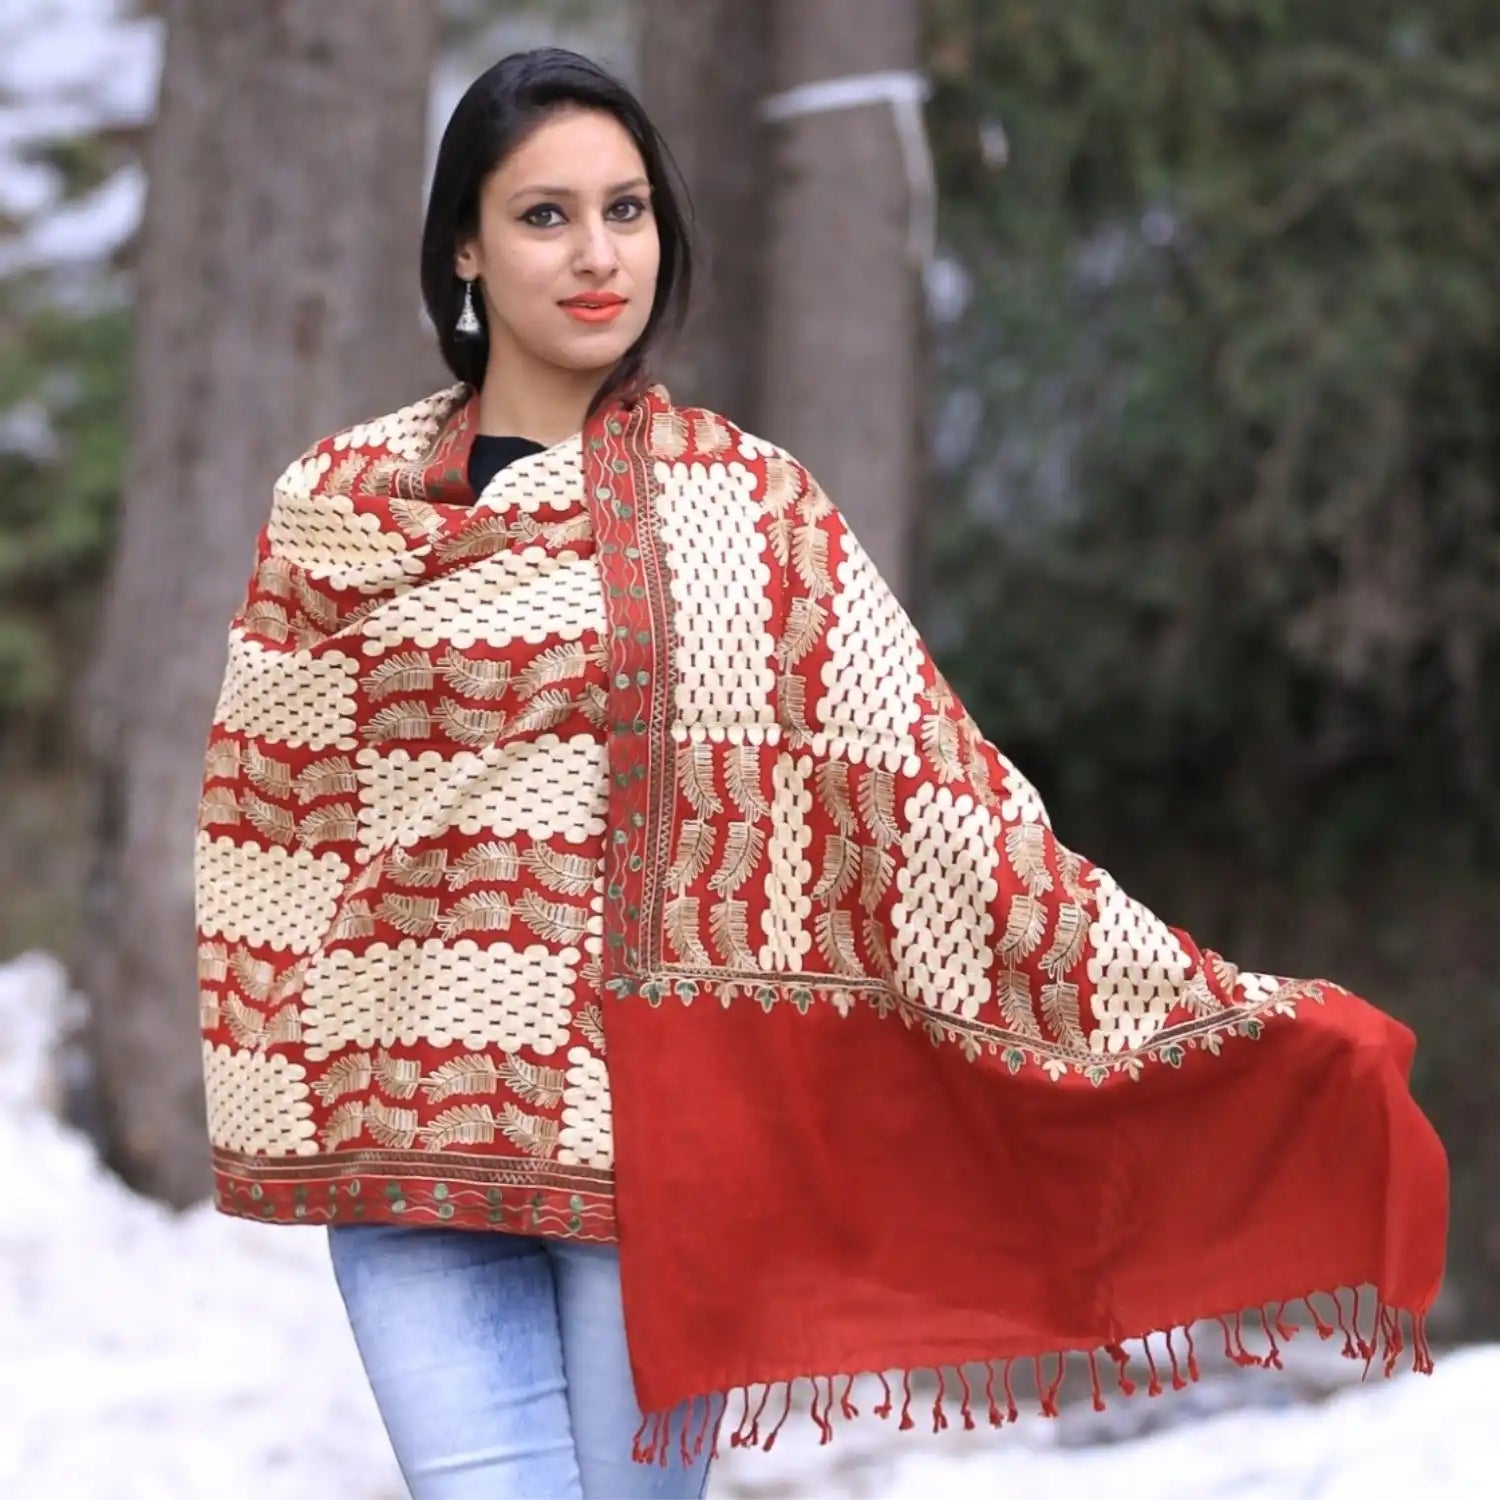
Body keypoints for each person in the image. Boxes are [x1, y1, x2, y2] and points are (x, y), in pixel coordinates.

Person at [194, 43, 1447, 1500]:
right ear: (463, 246)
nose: (599, 256)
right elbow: (266, 829)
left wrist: (1226, 1020)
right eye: (545, 216)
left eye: (626, 210)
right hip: (407, 1139)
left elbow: (939, 812)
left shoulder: (753, 512)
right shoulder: (337, 514)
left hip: (657, 1171)